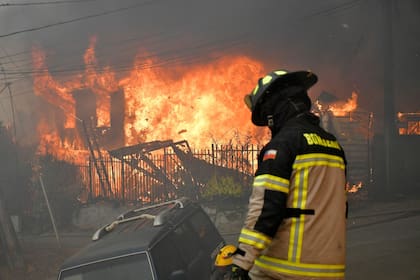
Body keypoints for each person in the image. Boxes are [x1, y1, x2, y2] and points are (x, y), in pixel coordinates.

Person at [230, 70, 347, 280]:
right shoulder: (333, 145)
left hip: (288, 269)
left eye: (268, 117)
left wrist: (240, 262)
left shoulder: (282, 146)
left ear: (276, 111)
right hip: (331, 270)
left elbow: (266, 209)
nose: (269, 125)